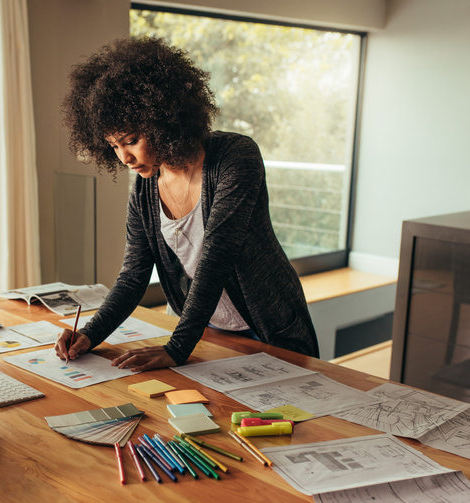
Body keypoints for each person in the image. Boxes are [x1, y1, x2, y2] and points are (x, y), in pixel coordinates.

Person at [55, 36, 318, 371]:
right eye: (114, 146)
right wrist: (90, 334)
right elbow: (134, 275)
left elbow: (217, 257)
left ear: (162, 120)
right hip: (205, 332)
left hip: (268, 330)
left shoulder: (236, 157)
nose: (124, 157)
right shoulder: (144, 189)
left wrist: (177, 348)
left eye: (132, 140)